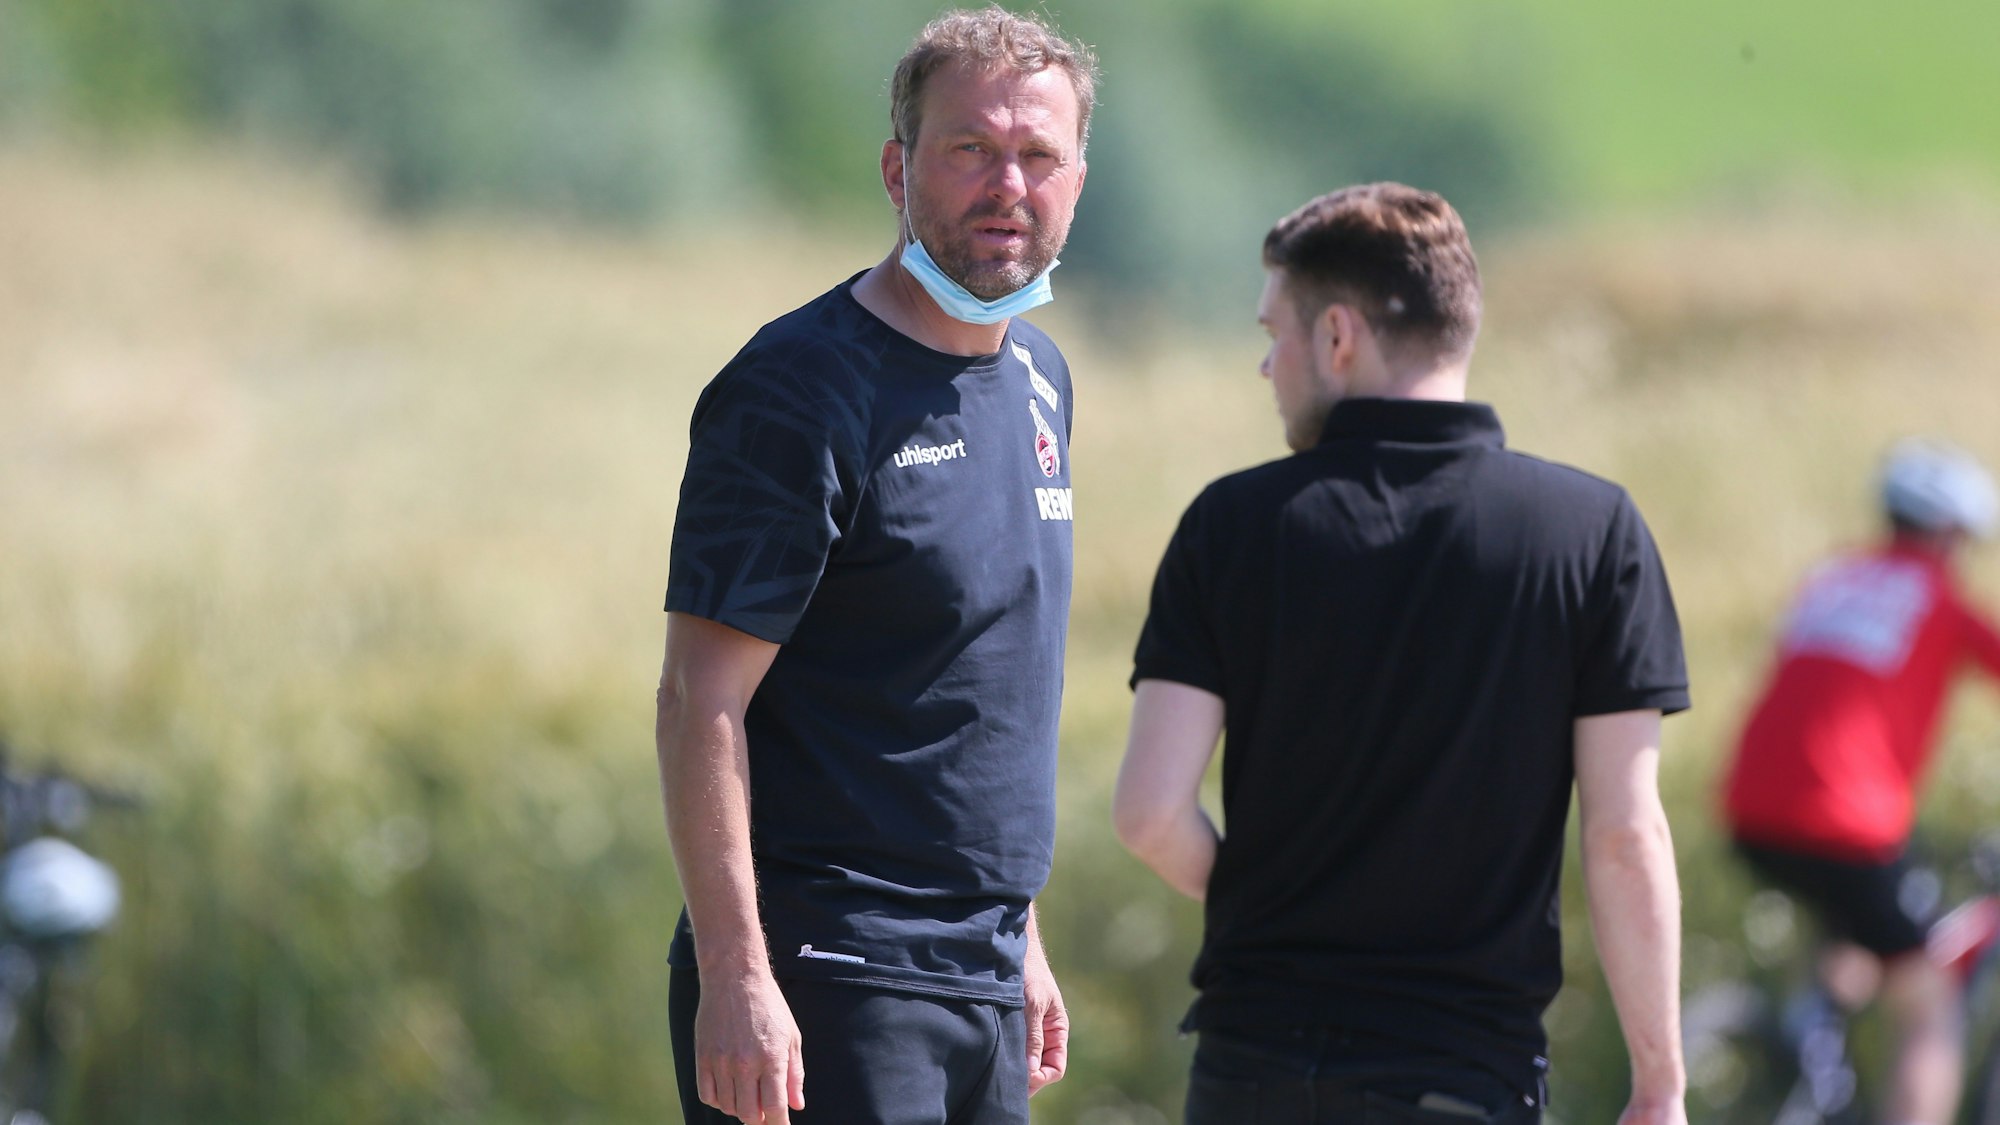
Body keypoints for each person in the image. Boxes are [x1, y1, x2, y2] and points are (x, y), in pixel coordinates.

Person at [1112, 183, 1692, 1124]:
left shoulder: (1230, 525)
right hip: (1457, 1078)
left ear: (1338, 336)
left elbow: (1147, 814)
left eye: (1275, 332)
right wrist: (1660, 1080)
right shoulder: (1591, 533)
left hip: (1251, 1070)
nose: (1266, 364)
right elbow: (1626, 836)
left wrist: (1273, 898)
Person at [652, 9, 1095, 1124]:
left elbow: (975, 686)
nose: (1008, 185)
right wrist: (737, 976)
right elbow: (699, 699)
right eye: (970, 149)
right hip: (829, 974)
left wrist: (1021, 937)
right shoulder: (799, 388)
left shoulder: (1040, 379)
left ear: (1076, 182)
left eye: (1037, 155)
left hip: (982, 977)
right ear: (898, 170)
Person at [1719, 439, 2000, 1125]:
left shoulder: (1834, 579)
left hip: (1749, 807)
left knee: (1862, 932)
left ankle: (1809, 1041)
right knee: (1928, 1005)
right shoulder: (1938, 595)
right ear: (1949, 532)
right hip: (1845, 820)